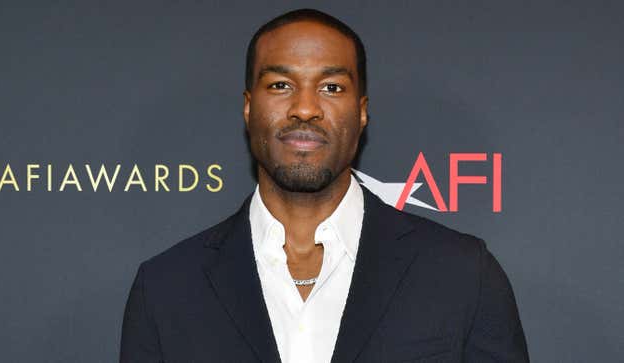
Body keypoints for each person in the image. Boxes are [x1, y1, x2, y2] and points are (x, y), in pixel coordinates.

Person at [120, 8, 529, 363]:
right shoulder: (166, 289)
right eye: (281, 85)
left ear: (362, 112)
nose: (305, 108)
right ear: (248, 107)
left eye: (331, 87)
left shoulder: (462, 275)